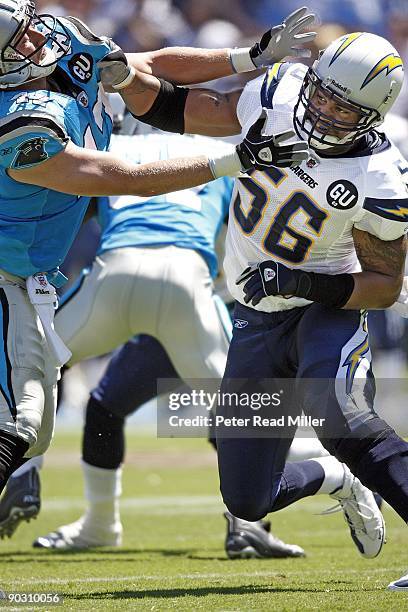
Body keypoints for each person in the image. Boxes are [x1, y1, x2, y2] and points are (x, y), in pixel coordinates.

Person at [122, 27, 408, 586]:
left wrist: (304, 282)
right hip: (256, 319)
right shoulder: (280, 91)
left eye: (342, 107)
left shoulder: (378, 177)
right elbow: (195, 110)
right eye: (322, 92)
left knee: (341, 419)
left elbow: (383, 287)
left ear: (372, 116)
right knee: (248, 499)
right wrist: (126, 78)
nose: (323, 109)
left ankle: (351, 462)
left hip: (325, 308)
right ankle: (337, 479)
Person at [0, 0, 313, 495]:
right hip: (10, 275)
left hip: (48, 277)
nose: (36, 40)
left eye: (30, 28)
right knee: (20, 423)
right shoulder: (19, 126)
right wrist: (234, 160)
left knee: (37, 430)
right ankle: (321, 470)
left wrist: (245, 57)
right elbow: (118, 177)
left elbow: (149, 67)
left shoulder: (61, 39)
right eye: (19, 40)